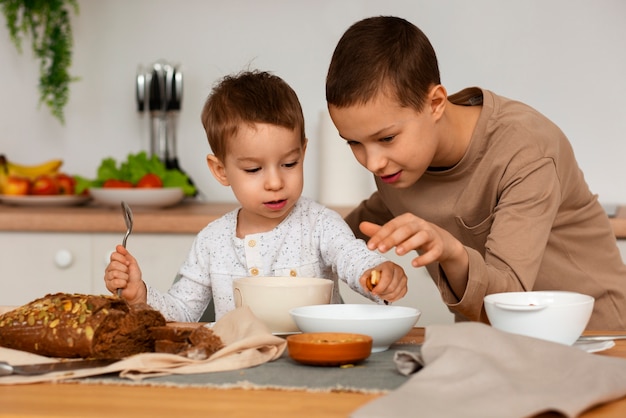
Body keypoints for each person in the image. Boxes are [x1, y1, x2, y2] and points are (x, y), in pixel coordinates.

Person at [325, 16, 626, 330]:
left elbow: (509, 303)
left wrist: (451, 250)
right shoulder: (397, 166)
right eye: (354, 143)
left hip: (598, 338)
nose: (372, 162)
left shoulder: (526, 149)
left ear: (436, 103)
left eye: (386, 138)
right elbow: (341, 234)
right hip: (501, 346)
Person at [104, 70, 408, 322]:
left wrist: (377, 274)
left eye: (289, 164)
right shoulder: (212, 242)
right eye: (253, 169)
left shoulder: (320, 224)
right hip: (238, 373)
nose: (275, 182)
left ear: (303, 151)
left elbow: (350, 257)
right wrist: (141, 295)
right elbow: (182, 312)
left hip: (317, 366)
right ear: (221, 170)